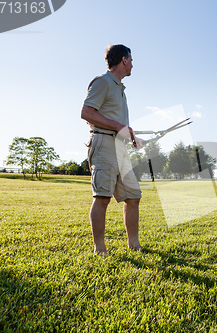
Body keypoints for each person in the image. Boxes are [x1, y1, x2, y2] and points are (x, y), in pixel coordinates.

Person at [81, 44, 145, 255]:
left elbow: (117, 123)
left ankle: (134, 245)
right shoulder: (103, 82)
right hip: (103, 144)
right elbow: (87, 112)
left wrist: (132, 137)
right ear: (124, 60)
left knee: (133, 196)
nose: (133, 64)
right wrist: (119, 127)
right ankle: (100, 249)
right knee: (102, 197)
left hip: (120, 147)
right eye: (131, 60)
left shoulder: (119, 88)